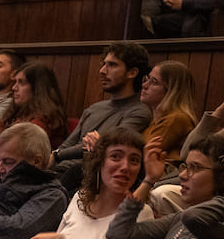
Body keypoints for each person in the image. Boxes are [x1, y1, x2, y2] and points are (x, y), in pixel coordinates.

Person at [14, 128, 152, 239]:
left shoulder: (141, 214)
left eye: (134, 160)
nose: (125, 167)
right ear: (100, 162)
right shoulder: (81, 197)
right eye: (116, 157)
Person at [52, 43, 152, 176]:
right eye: (104, 64)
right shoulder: (94, 108)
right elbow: (67, 145)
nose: (102, 71)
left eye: (112, 65)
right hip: (59, 171)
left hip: (88, 176)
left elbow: (107, 144)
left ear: (132, 72)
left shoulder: (139, 112)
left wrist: (57, 155)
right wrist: (54, 156)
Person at [138, 61, 196, 161]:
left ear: (172, 90)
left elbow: (142, 154)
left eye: (154, 81)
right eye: (147, 79)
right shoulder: (157, 120)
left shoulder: (177, 119)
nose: (145, 85)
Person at [6, 62, 70, 148]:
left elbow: (16, 147)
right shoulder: (15, 112)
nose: (14, 88)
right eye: (15, 82)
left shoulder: (45, 117)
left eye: (22, 83)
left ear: (37, 88)